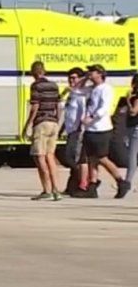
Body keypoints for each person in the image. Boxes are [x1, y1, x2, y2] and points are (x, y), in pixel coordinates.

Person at [80, 64, 125, 199]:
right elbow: (76, 90)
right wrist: (84, 79)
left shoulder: (106, 89)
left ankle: (121, 181)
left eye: (92, 72)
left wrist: (91, 117)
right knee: (91, 159)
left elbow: (104, 107)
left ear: (100, 73)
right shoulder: (91, 89)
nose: (89, 74)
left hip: (101, 128)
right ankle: (92, 187)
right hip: (90, 129)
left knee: (102, 158)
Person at [22, 61, 63, 201]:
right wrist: (57, 119)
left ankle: (47, 190)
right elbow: (58, 105)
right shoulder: (54, 86)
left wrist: (27, 125)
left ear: (33, 73)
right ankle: (57, 189)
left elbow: (35, 106)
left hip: (41, 123)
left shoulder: (36, 86)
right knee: (50, 156)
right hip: (53, 123)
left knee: (39, 157)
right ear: (44, 71)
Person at [61, 67, 89, 195]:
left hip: (78, 130)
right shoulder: (72, 94)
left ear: (80, 79)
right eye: (69, 78)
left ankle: (83, 181)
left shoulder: (80, 95)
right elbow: (68, 113)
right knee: (70, 157)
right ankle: (73, 185)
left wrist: (80, 128)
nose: (71, 80)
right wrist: (62, 128)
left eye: (74, 78)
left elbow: (82, 113)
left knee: (74, 158)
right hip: (70, 129)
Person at [123, 76, 138, 195]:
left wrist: (128, 100)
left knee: (132, 157)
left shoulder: (136, 97)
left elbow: (133, 112)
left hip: (135, 129)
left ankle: (127, 182)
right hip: (133, 128)